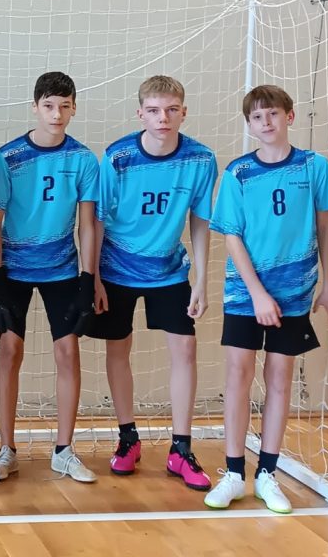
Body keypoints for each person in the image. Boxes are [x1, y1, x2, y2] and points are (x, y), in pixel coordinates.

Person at [204, 85, 328, 514]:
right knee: (238, 375)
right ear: (249, 125)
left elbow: (325, 228)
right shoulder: (238, 172)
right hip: (246, 291)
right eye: (257, 117)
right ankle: (233, 473)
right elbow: (231, 236)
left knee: (280, 378)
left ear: (289, 116)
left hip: (295, 292)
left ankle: (267, 475)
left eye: (273, 114)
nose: (266, 122)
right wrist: (258, 293)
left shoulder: (314, 167)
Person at [91, 75, 218, 491]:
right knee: (118, 348)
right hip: (116, 269)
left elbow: (200, 220)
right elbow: (96, 219)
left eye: (171, 110)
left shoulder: (201, 159)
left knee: (185, 349)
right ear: (140, 114)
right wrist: (93, 278)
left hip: (169, 270)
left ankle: (181, 448)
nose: (163, 117)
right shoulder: (118, 157)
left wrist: (201, 278)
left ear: (184, 112)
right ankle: (128, 438)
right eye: (154, 110)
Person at [0, 71, 99, 484]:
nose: (57, 114)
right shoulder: (9, 157)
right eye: (49, 106)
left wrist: (88, 278)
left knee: (68, 351)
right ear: (35, 107)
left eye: (65, 106)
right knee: (10, 350)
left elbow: (87, 224)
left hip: (62, 269)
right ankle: (6, 449)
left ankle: (64, 450)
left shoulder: (83, 159)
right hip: (13, 269)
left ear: (74, 108)